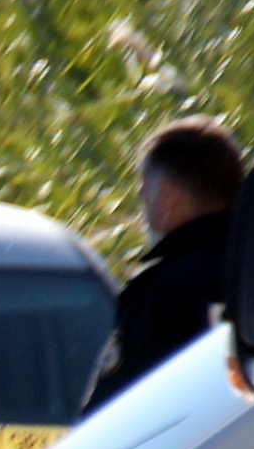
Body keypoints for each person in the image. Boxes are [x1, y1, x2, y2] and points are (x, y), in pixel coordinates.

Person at [86, 115, 242, 410]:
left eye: (144, 188)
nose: (142, 198)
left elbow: (114, 411)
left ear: (168, 195)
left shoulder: (163, 289)